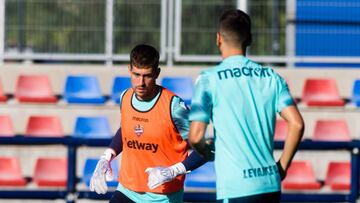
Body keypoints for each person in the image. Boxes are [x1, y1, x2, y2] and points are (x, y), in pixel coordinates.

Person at [188, 9, 305, 203]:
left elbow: (195, 136)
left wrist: (204, 150)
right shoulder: (271, 77)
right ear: (250, 39)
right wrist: (282, 167)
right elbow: (297, 124)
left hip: (236, 188)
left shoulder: (208, 79)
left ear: (218, 38)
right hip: (269, 184)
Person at [89, 44, 208, 203]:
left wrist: (173, 171)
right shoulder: (125, 97)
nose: (141, 83)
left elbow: (203, 149)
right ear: (129, 70)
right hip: (127, 191)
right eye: (136, 74)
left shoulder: (173, 106)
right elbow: (127, 129)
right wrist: (107, 156)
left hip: (162, 197)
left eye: (147, 75)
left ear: (157, 73)